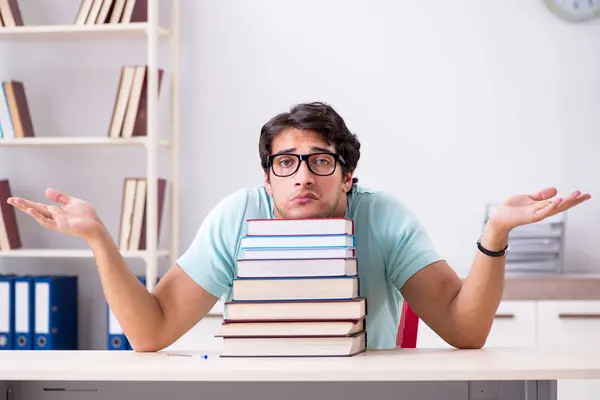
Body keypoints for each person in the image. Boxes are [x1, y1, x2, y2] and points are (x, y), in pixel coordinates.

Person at [6, 102, 591, 352]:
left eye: (320, 160)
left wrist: (495, 236)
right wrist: (99, 240)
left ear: (348, 176)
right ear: (268, 179)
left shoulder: (383, 216)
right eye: (285, 164)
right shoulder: (238, 214)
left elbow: (465, 332)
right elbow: (151, 333)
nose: (302, 177)